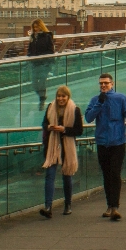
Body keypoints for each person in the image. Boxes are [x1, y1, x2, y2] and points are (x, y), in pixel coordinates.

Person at [85, 73, 126, 221]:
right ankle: (109, 205)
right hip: (102, 142)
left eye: (106, 83)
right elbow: (88, 118)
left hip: (118, 141)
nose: (103, 86)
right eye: (101, 83)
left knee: (115, 173)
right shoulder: (95, 100)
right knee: (106, 174)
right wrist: (99, 104)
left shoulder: (120, 98)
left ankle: (115, 206)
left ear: (112, 84)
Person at [40, 85, 84, 218]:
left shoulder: (74, 110)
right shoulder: (50, 107)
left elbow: (79, 130)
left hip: (66, 146)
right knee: (50, 175)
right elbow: (44, 124)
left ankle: (68, 205)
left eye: (63, 96)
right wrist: (49, 127)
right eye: (59, 96)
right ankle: (48, 206)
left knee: (67, 175)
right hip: (52, 147)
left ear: (68, 97)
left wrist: (64, 129)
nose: (60, 99)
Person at [27, 19, 55, 111]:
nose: (36, 29)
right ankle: (42, 96)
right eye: (34, 28)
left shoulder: (47, 36)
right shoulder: (32, 37)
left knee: (42, 82)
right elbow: (30, 51)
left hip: (44, 64)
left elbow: (51, 51)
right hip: (35, 64)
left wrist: (47, 61)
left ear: (41, 26)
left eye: (37, 27)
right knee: (34, 83)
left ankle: (42, 100)